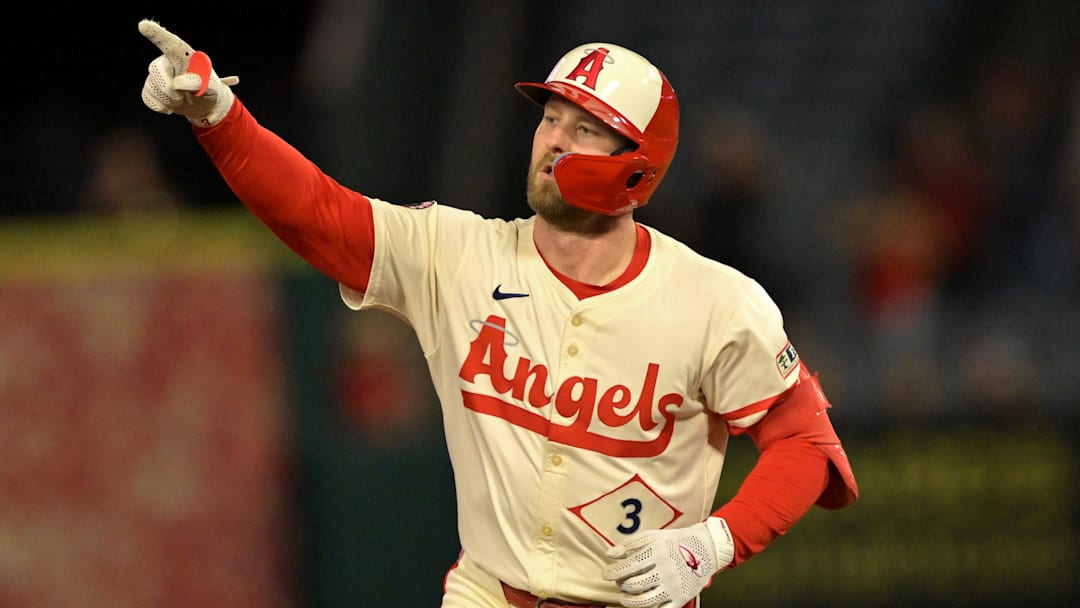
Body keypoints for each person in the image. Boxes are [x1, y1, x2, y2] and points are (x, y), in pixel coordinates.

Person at [138, 19, 858, 608]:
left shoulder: (715, 302)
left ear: (638, 163)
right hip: (487, 593)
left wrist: (715, 543)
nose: (554, 140)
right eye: (551, 118)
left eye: (586, 128)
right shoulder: (458, 255)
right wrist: (219, 118)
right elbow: (318, 212)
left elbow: (806, 445)